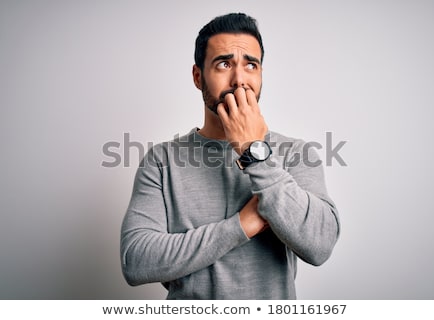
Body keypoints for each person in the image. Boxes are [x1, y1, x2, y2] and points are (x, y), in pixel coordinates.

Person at [120, 12, 340, 300]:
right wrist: (240, 226)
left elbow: (320, 245)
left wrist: (252, 150)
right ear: (198, 77)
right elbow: (136, 261)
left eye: (251, 65)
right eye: (224, 63)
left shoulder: (297, 154)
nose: (240, 80)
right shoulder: (161, 161)